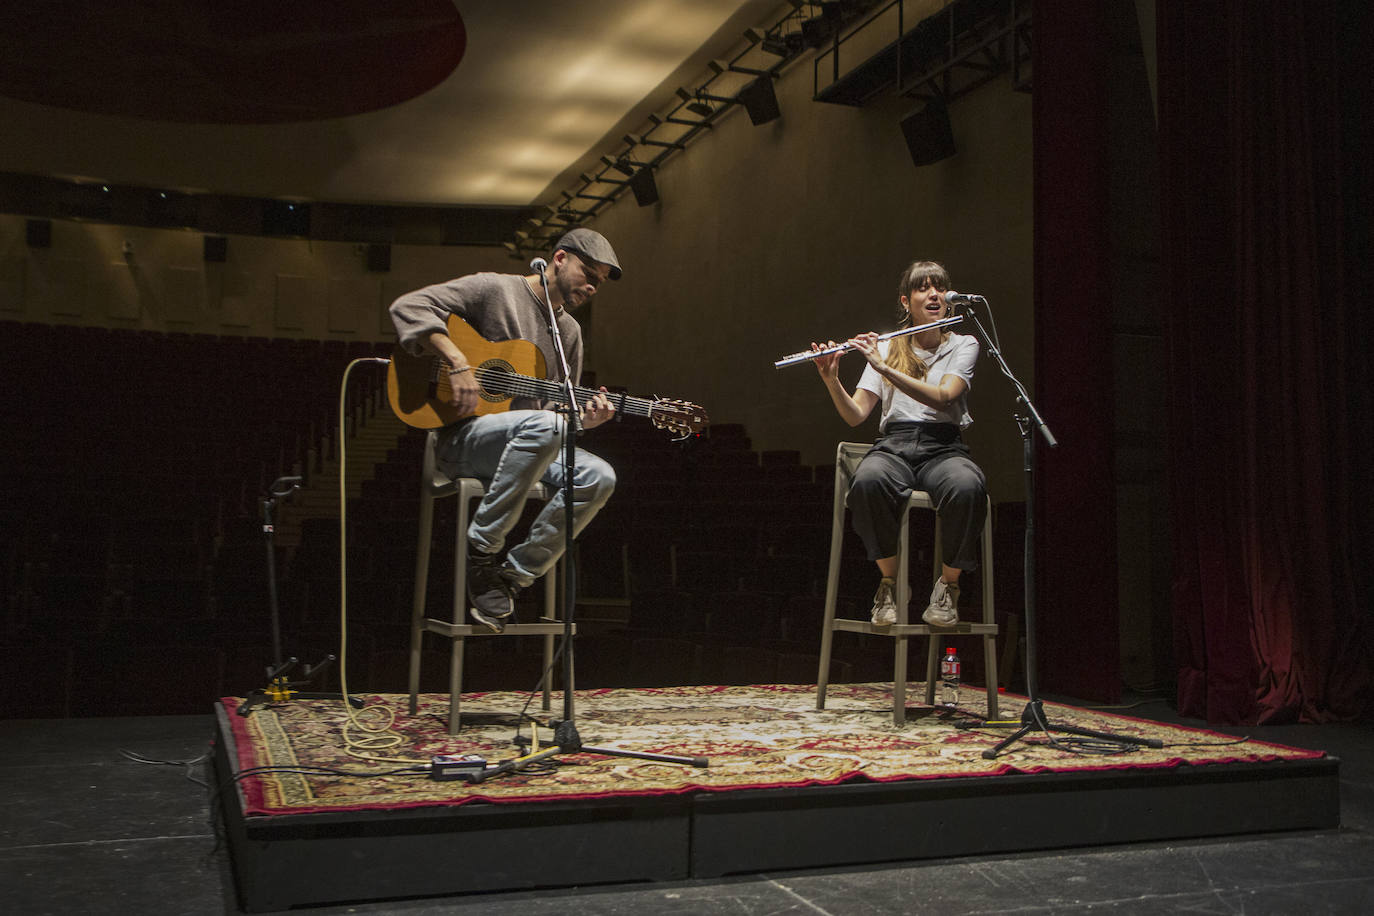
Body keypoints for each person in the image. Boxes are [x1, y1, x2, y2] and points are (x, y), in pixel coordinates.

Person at [388, 228, 621, 633]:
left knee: (600, 476)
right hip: (462, 438)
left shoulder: (571, 333)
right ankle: (482, 552)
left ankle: (512, 576)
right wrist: (458, 361)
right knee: (547, 425)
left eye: (599, 281)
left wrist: (584, 420)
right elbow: (409, 305)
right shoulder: (493, 289)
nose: (592, 286)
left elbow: (556, 418)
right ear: (560, 258)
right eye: (588, 273)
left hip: (530, 442)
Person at [811, 259, 987, 628]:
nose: (933, 293)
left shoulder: (964, 343)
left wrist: (883, 367)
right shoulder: (888, 346)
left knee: (968, 486)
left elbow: (944, 397)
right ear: (906, 302)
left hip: (943, 446)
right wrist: (831, 380)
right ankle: (889, 583)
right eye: (923, 288)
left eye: (939, 286)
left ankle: (947, 587)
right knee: (867, 482)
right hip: (895, 444)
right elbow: (857, 414)